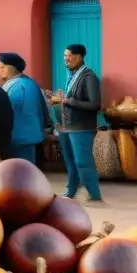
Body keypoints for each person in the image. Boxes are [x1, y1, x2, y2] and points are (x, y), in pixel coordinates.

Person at [49, 43, 102, 202]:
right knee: (70, 163)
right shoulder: (71, 75)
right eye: (64, 56)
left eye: (69, 56)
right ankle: (70, 192)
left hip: (82, 128)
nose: (66, 59)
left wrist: (67, 100)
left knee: (83, 162)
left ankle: (94, 194)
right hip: (66, 126)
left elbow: (94, 104)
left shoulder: (89, 76)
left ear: (79, 57)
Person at [0, 52, 48, 164]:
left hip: (21, 137)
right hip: (27, 136)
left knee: (22, 171)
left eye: (2, 67)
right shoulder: (26, 83)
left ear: (12, 68)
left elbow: (8, 110)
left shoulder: (19, 86)